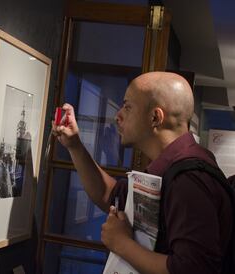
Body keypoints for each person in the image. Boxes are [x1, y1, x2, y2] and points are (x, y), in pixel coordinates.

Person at [52, 71, 232, 274]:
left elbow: (191, 269)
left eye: (128, 106)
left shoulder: (188, 180)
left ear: (155, 117)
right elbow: (111, 195)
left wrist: (121, 244)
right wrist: (74, 145)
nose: (118, 115)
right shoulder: (174, 168)